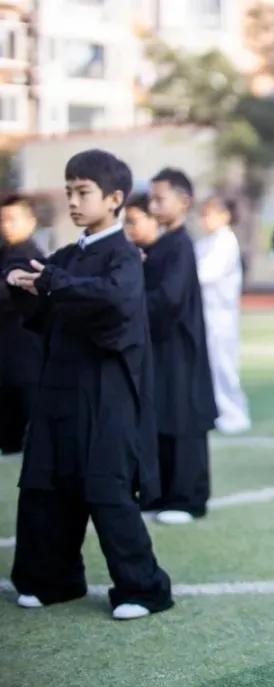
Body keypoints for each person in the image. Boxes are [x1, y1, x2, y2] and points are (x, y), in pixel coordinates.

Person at [4, 149, 172, 619]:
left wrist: (53, 283)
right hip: (59, 389)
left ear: (115, 199)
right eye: (69, 192)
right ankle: (52, 579)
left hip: (107, 393)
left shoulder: (123, 256)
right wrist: (20, 282)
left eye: (83, 192)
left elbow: (114, 301)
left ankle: (144, 589)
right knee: (46, 482)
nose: (74, 202)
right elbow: (42, 292)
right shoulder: (68, 254)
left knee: (106, 488)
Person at [142, 168, 218, 524]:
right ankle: (162, 493)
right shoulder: (161, 245)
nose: (154, 206)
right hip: (161, 346)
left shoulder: (181, 245)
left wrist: (131, 302)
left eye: (161, 199)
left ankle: (189, 498)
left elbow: (169, 299)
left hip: (180, 346)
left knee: (183, 418)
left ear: (184, 202)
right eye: (152, 199)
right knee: (162, 416)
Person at [196, 196, 251, 434]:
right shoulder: (206, 242)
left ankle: (235, 414)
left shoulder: (226, 242)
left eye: (209, 214)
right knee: (210, 365)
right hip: (205, 313)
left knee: (224, 366)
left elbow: (205, 274)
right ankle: (217, 412)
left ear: (225, 216)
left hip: (221, 315)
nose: (204, 220)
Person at [0, 195, 45, 454]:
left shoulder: (32, 259)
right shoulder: (4, 254)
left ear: (31, 221)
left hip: (28, 363)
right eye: (2, 219)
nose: (6, 225)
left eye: (12, 219)